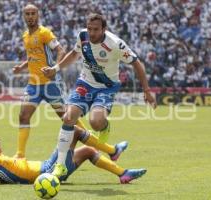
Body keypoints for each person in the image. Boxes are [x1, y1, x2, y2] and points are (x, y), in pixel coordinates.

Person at [42, 13, 157, 177]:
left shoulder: (116, 44)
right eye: (89, 28)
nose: (91, 33)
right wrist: (55, 69)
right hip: (85, 84)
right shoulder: (83, 36)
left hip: (106, 87)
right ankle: (60, 165)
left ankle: (105, 126)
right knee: (68, 118)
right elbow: (74, 54)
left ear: (104, 29)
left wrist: (146, 90)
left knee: (95, 122)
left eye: (95, 29)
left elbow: (137, 63)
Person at [12, 4, 86, 158]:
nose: (30, 16)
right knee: (23, 116)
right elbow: (33, 57)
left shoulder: (45, 33)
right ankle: (20, 155)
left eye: (33, 13)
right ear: (24, 16)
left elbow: (61, 51)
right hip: (33, 84)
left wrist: (55, 68)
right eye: (27, 14)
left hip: (49, 84)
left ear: (37, 15)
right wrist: (22, 67)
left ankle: (93, 142)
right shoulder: (25, 36)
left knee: (67, 118)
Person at [0, 128, 146, 188]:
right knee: (74, 131)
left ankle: (123, 174)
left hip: (50, 169)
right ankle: (112, 151)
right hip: (48, 172)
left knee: (87, 150)